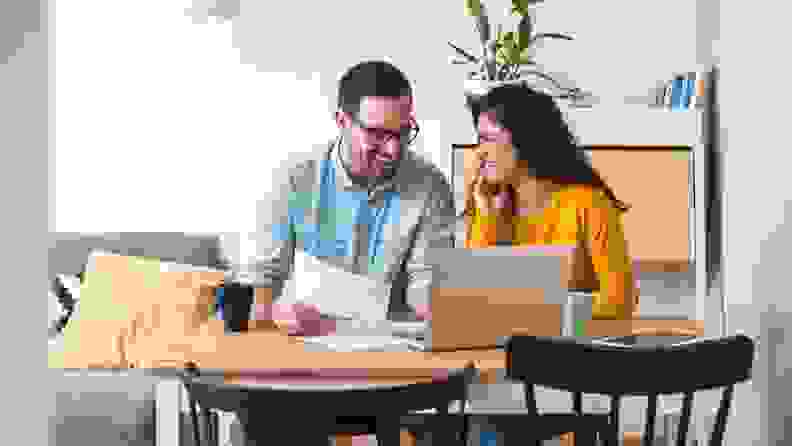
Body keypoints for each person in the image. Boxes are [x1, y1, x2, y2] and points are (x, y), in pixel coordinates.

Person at [227, 60, 455, 446]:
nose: (393, 148)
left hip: (387, 368)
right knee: (268, 411)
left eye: (403, 133)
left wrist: (440, 307)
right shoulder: (292, 178)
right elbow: (253, 283)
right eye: (379, 134)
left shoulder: (430, 186)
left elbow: (427, 283)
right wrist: (278, 311)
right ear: (341, 121)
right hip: (296, 362)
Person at [463, 83, 637, 320]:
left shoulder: (589, 204)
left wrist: (541, 312)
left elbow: (621, 299)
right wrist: (486, 219)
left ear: (525, 140)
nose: (479, 153)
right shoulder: (490, 203)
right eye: (479, 140)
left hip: (573, 347)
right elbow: (476, 299)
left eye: (488, 139)